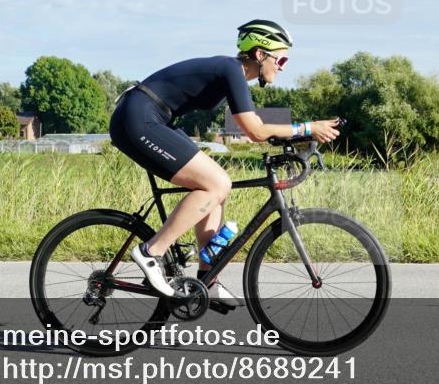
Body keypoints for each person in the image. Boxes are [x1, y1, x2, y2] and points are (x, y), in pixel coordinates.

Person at [108, 19, 341, 308]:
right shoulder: (232, 70)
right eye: (280, 58)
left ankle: (207, 280)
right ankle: (151, 251)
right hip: (138, 118)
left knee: (217, 188)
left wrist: (290, 138)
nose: (282, 66)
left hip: (153, 118)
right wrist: (306, 129)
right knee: (217, 183)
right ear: (259, 54)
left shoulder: (233, 75)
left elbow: (256, 127)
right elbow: (255, 131)